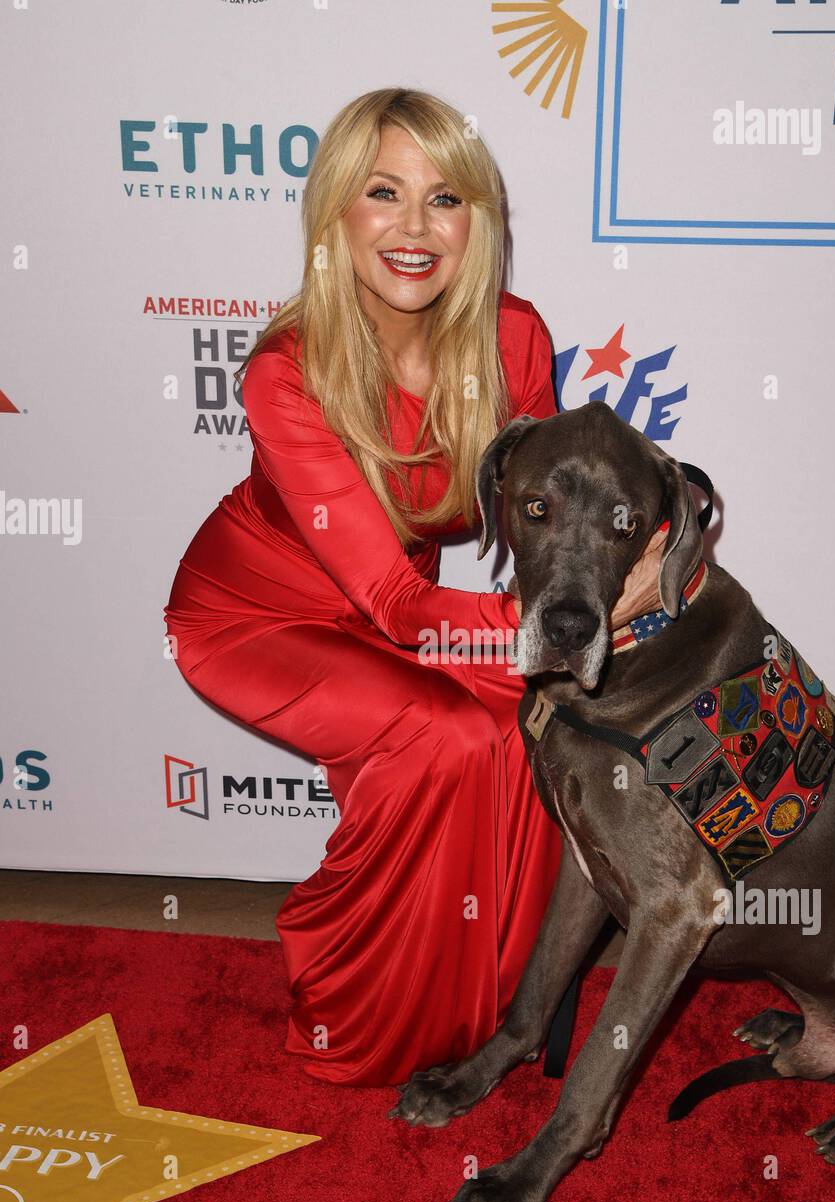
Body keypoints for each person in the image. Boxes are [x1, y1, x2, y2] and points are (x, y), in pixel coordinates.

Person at [163, 88, 666, 1087]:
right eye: (382, 192)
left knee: (532, 722)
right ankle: (356, 1019)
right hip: (257, 615)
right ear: (335, 212)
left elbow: (549, 511)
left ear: (478, 221)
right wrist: (591, 621)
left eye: (445, 199)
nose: (413, 227)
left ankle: (497, 1005)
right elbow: (392, 605)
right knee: (442, 736)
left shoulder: (513, 337)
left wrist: (629, 561)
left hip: (415, 612)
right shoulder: (287, 371)